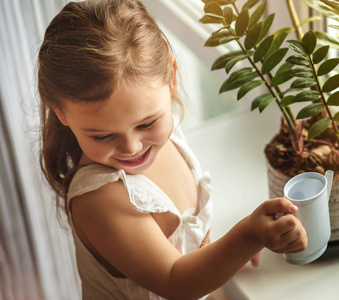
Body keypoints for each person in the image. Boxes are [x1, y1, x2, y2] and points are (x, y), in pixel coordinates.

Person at [38, 0, 307, 299]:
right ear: (61, 113)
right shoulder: (98, 198)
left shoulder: (168, 136)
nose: (132, 147)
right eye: (102, 136)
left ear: (172, 79)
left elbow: (186, 239)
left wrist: (226, 255)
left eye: (146, 123)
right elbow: (174, 280)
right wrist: (247, 237)